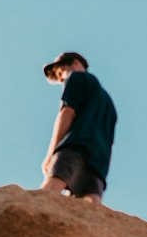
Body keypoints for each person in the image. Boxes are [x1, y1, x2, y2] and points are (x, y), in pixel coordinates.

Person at [39, 52, 117, 204]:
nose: (61, 79)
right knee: (91, 204)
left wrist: (52, 152)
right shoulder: (108, 103)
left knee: (50, 190)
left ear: (75, 64)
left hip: (75, 147)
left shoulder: (77, 77)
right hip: (98, 161)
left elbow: (67, 112)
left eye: (61, 72)